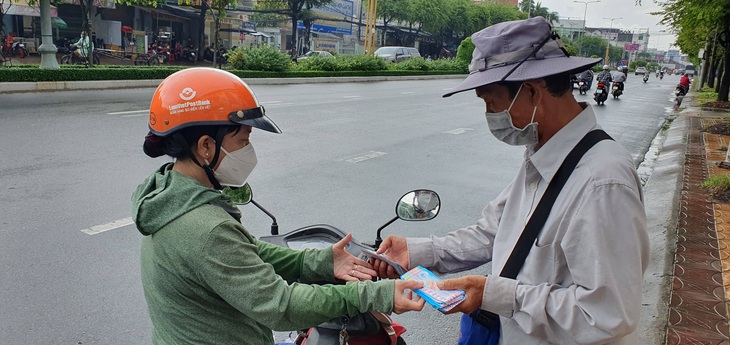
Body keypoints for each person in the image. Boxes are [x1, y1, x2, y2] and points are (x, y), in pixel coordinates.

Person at [372, 16, 649, 344]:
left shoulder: (601, 182)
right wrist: (418, 252)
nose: (490, 115)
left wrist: (498, 294)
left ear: (532, 92)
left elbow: (608, 314)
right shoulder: (543, 155)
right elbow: (493, 233)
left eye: (491, 102)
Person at [132, 67, 424, 345]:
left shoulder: (167, 195)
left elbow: (248, 251)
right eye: (243, 140)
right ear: (206, 146)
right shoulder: (206, 227)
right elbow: (280, 305)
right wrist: (376, 294)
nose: (249, 150)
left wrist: (318, 262)